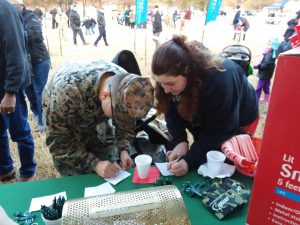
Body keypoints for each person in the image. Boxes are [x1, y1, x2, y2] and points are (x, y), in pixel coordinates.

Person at [151, 35, 259, 176]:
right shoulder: (169, 82)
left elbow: (220, 131)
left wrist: (189, 161)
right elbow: (170, 112)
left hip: (239, 118)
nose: (165, 90)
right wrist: (181, 141)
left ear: (188, 70)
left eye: (170, 84)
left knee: (226, 162)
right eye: (161, 83)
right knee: (204, 152)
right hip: (210, 116)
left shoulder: (219, 80)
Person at [43, 60, 154, 178]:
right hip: (67, 113)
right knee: (75, 175)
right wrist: (95, 164)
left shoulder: (127, 87)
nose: (121, 120)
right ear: (104, 95)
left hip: (97, 109)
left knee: (108, 167)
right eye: (117, 116)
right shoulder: (65, 96)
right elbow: (59, 146)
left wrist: (124, 150)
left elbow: (126, 126)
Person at [0, 0, 36, 182]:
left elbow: (16, 52)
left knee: (20, 131)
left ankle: (28, 172)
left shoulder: (4, 10)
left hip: (8, 86)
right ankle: (5, 169)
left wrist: (10, 92)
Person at [17, 3, 51, 132]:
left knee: (39, 91)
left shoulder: (32, 17)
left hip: (39, 60)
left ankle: (43, 121)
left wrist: (13, 34)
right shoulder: (14, 18)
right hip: (25, 62)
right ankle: (36, 112)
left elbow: (32, 34)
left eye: (15, 5)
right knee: (28, 89)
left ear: (21, 5)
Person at [254, 38, 279, 103]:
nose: (267, 45)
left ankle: (256, 99)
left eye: (269, 44)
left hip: (264, 74)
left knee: (259, 88)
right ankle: (266, 99)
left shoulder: (270, 54)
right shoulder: (271, 52)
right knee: (266, 86)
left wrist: (258, 66)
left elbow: (265, 65)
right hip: (268, 74)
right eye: (267, 43)